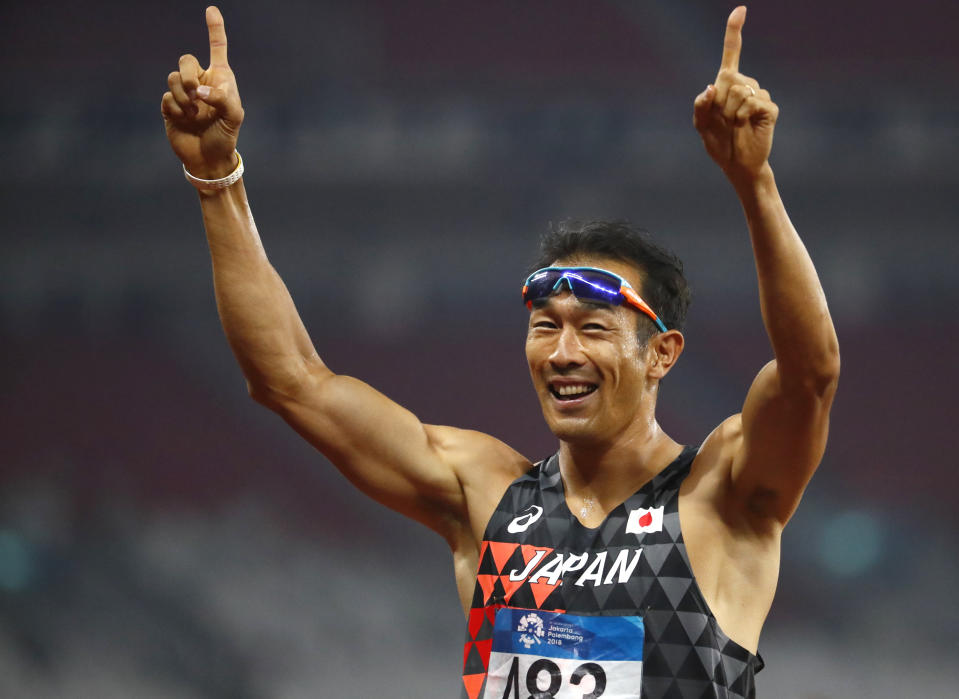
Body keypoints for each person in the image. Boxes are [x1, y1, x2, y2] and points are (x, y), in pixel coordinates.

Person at [162, 5, 839, 698]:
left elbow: (809, 374)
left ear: (660, 353)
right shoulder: (484, 495)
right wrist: (218, 178)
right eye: (544, 324)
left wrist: (753, 183)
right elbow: (291, 381)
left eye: (594, 327)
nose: (562, 350)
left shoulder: (723, 494)